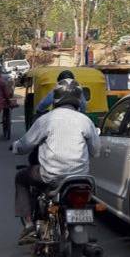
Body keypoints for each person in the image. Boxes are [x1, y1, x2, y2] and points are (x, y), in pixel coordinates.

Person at [12, 79, 100, 243]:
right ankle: (85, 226)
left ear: (56, 98)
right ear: (78, 99)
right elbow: (95, 151)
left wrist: (16, 147)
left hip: (50, 175)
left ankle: (29, 224)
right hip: (80, 177)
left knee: (20, 177)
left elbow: (25, 145)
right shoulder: (85, 121)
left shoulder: (46, 119)